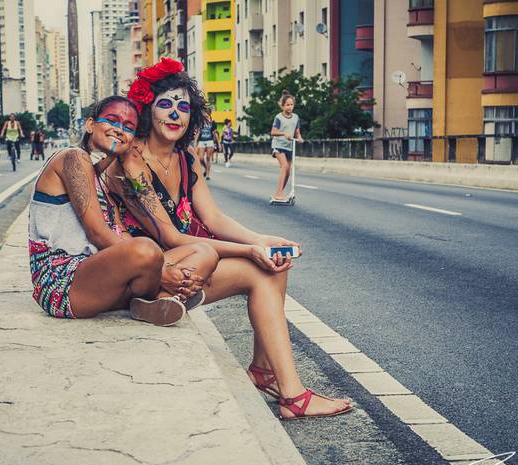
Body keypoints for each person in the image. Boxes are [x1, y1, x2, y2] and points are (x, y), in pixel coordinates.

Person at [108, 58, 352, 420]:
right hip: (148, 277)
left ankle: (268, 374)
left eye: (184, 107)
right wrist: (251, 250)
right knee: (258, 263)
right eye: (166, 104)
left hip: (187, 263)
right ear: (147, 109)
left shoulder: (185, 159)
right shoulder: (131, 161)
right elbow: (172, 236)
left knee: (273, 267)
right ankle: (292, 395)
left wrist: (263, 239)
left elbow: (213, 218)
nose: (176, 114)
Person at [29, 94, 218, 325]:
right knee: (147, 250)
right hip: (62, 283)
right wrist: (162, 272)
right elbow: (97, 232)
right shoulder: (73, 158)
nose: (119, 130)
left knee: (205, 252)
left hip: (102, 276)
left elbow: (121, 235)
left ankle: (155, 302)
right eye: (112, 120)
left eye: (128, 127)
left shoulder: (103, 182)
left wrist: (158, 266)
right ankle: (164, 293)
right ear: (90, 124)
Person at [270, 90, 303, 202]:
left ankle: (279, 193)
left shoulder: (296, 117)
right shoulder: (278, 117)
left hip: (289, 146)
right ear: (282, 106)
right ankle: (279, 193)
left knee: (288, 170)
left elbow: (297, 131)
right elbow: (273, 132)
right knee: (284, 166)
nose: (290, 107)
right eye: (287, 105)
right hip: (278, 145)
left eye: (291, 104)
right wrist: (283, 134)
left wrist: (299, 138)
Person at [195, 116, 216, 180]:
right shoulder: (201, 122)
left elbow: (214, 133)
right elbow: (198, 132)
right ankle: (206, 167)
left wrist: (217, 142)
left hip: (210, 140)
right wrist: (195, 142)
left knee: (208, 157)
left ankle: (207, 175)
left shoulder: (212, 122)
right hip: (202, 140)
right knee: (200, 158)